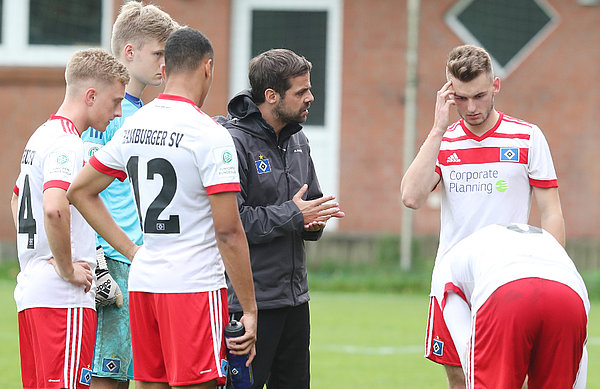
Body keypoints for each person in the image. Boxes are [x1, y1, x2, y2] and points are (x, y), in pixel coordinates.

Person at [67, 27, 257, 389]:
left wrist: (132, 251)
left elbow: (79, 191)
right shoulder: (210, 134)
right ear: (207, 67)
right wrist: (249, 308)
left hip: (145, 282)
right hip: (193, 286)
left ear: (165, 68)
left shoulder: (134, 124)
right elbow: (229, 232)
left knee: (149, 385)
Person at [400, 44, 565, 388]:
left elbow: (551, 211)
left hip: (509, 280)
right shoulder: (443, 142)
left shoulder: (527, 137)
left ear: (495, 86)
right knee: (459, 376)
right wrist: (436, 130)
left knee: (508, 378)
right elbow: (411, 197)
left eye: (479, 95)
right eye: (461, 98)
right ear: (448, 94)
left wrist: (554, 270)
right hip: (453, 281)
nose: (471, 108)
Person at [215, 48, 344, 389]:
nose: (311, 98)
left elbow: (308, 205)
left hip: (296, 300)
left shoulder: (299, 139)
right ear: (271, 96)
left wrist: (316, 221)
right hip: (248, 303)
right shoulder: (232, 142)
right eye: (301, 91)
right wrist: (294, 214)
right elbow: (234, 222)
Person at [10, 48, 128, 389]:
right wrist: (64, 266)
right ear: (90, 96)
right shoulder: (68, 143)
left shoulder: (40, 136)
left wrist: (39, 251)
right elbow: (53, 207)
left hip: (33, 291)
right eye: (115, 101)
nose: (118, 112)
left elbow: (16, 200)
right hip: (63, 299)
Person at [80, 2, 179, 387]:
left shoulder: (146, 113)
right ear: (129, 52)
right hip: (115, 260)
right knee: (110, 377)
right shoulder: (108, 113)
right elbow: (82, 190)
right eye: (158, 54)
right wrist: (100, 257)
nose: (164, 65)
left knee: (143, 374)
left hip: (143, 259)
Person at [432, 223, 589, 389]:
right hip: (570, 295)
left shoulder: (445, 272)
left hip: (507, 292)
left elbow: (469, 359)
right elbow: (579, 360)